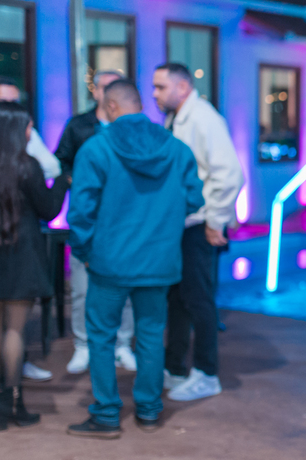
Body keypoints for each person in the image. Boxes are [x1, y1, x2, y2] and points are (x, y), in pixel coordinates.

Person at [66, 78, 203, 439]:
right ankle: (149, 409)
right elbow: (194, 200)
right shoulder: (176, 148)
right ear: (140, 104)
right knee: (150, 335)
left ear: (111, 106)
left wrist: (83, 251)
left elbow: (80, 211)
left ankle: (106, 414)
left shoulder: (96, 148)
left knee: (101, 337)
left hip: (108, 261)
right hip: (159, 260)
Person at [0, 102, 71, 430]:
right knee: (15, 330)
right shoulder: (26, 165)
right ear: (16, 129)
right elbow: (49, 210)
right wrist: (63, 182)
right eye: (28, 126)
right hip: (21, 255)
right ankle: (15, 400)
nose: (31, 132)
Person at [152, 63, 244, 402]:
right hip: (184, 223)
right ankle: (175, 367)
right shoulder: (177, 117)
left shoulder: (204, 118)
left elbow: (230, 174)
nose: (154, 94)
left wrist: (215, 221)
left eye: (160, 87)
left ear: (183, 87)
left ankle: (206, 373)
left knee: (198, 300)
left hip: (199, 224)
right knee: (178, 298)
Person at [55, 69, 137, 375]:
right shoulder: (79, 125)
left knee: (124, 289)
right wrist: (75, 179)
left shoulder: (132, 129)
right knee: (82, 289)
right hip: (88, 218)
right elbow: (61, 159)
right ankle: (83, 345)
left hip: (123, 221)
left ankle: (122, 344)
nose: (109, 91)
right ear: (96, 92)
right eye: (105, 86)